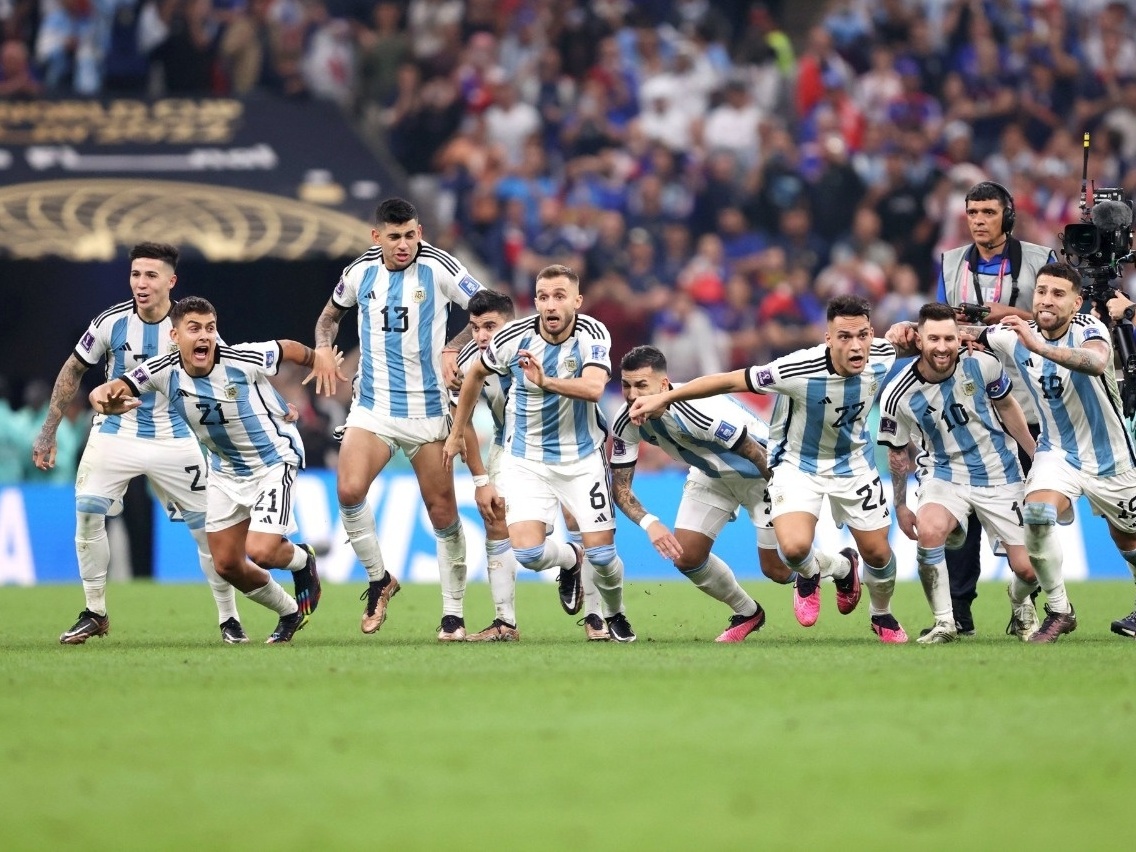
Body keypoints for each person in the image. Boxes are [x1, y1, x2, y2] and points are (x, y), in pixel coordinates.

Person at [630, 294, 908, 644]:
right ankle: (767, 600)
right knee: (789, 552)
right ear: (828, 338)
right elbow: (731, 379)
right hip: (793, 464)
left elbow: (926, 342)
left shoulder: (883, 353)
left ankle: (879, 612)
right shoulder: (798, 368)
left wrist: (931, 333)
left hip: (843, 464)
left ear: (872, 334)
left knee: (874, 553)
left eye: (863, 335)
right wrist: (666, 398)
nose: (856, 346)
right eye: (844, 337)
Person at [35, 244, 253, 644]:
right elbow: (73, 370)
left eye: (151, 275)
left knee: (208, 531)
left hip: (175, 436)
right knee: (86, 512)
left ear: (171, 281)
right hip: (116, 433)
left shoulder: (193, 325)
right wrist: (49, 430)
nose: (141, 283)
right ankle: (95, 611)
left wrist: (268, 410)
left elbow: (229, 373)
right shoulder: (110, 323)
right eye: (136, 274)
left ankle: (229, 618)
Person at [87, 296, 327, 644]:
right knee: (226, 565)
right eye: (194, 328)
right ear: (175, 335)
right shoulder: (161, 369)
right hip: (225, 470)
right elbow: (113, 387)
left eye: (210, 328)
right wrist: (102, 399)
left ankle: (303, 560)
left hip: (271, 462)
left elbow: (287, 348)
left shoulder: (241, 358)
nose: (204, 337)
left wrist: (318, 359)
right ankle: (289, 612)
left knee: (261, 551)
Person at [308, 197, 483, 640]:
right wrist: (325, 348)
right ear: (377, 237)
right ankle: (379, 579)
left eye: (410, 235)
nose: (403, 245)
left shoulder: (441, 266)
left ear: (419, 232)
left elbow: (489, 311)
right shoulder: (359, 272)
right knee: (348, 490)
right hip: (374, 407)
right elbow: (328, 319)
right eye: (394, 237)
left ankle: (453, 614)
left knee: (442, 513)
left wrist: (453, 345)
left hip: (428, 409)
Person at [443, 264, 637, 642]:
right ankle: (569, 559)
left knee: (602, 555)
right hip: (526, 458)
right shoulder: (511, 338)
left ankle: (611, 613)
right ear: (535, 302)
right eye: (544, 297)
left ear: (577, 302)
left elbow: (596, 388)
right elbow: (474, 376)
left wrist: (546, 381)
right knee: (529, 553)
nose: (551, 305)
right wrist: (454, 435)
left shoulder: (593, 333)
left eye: (560, 296)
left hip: (582, 456)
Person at [979, 263, 1136, 642]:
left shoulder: (1090, 329)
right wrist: (910, 333)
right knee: (1036, 514)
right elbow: (964, 336)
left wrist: (1039, 347)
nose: (1047, 300)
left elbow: (1097, 361)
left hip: (1111, 458)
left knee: (1128, 541)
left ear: (1076, 302)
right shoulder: (1013, 335)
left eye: (1058, 293)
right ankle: (1061, 609)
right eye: (1042, 291)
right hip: (1057, 453)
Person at [610, 345, 796, 643]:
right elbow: (620, 487)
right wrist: (650, 523)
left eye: (641, 386)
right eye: (626, 385)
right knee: (687, 557)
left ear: (663, 384)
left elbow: (754, 452)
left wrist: (784, 495)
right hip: (710, 473)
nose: (632, 395)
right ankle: (748, 612)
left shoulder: (694, 408)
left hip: (760, 472)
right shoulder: (625, 420)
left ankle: (840, 566)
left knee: (776, 569)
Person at [878, 302, 1041, 643]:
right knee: (930, 531)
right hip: (943, 474)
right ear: (919, 340)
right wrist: (901, 505)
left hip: (1000, 472)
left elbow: (1008, 406)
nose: (942, 347)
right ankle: (944, 622)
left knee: (1029, 568)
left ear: (960, 337)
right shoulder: (897, 394)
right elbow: (897, 452)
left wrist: (1034, 455)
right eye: (933, 338)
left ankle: (1019, 598)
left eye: (949, 338)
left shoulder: (982, 363)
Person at [935, 180, 1056, 634]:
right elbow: (935, 321)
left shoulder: (1042, 260)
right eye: (972, 213)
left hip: (1026, 402)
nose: (979, 221)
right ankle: (959, 612)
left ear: (1008, 215)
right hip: (967, 403)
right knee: (960, 514)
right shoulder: (949, 263)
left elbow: (1059, 318)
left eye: (988, 212)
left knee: (1029, 512)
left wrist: (1009, 315)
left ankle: (1026, 602)